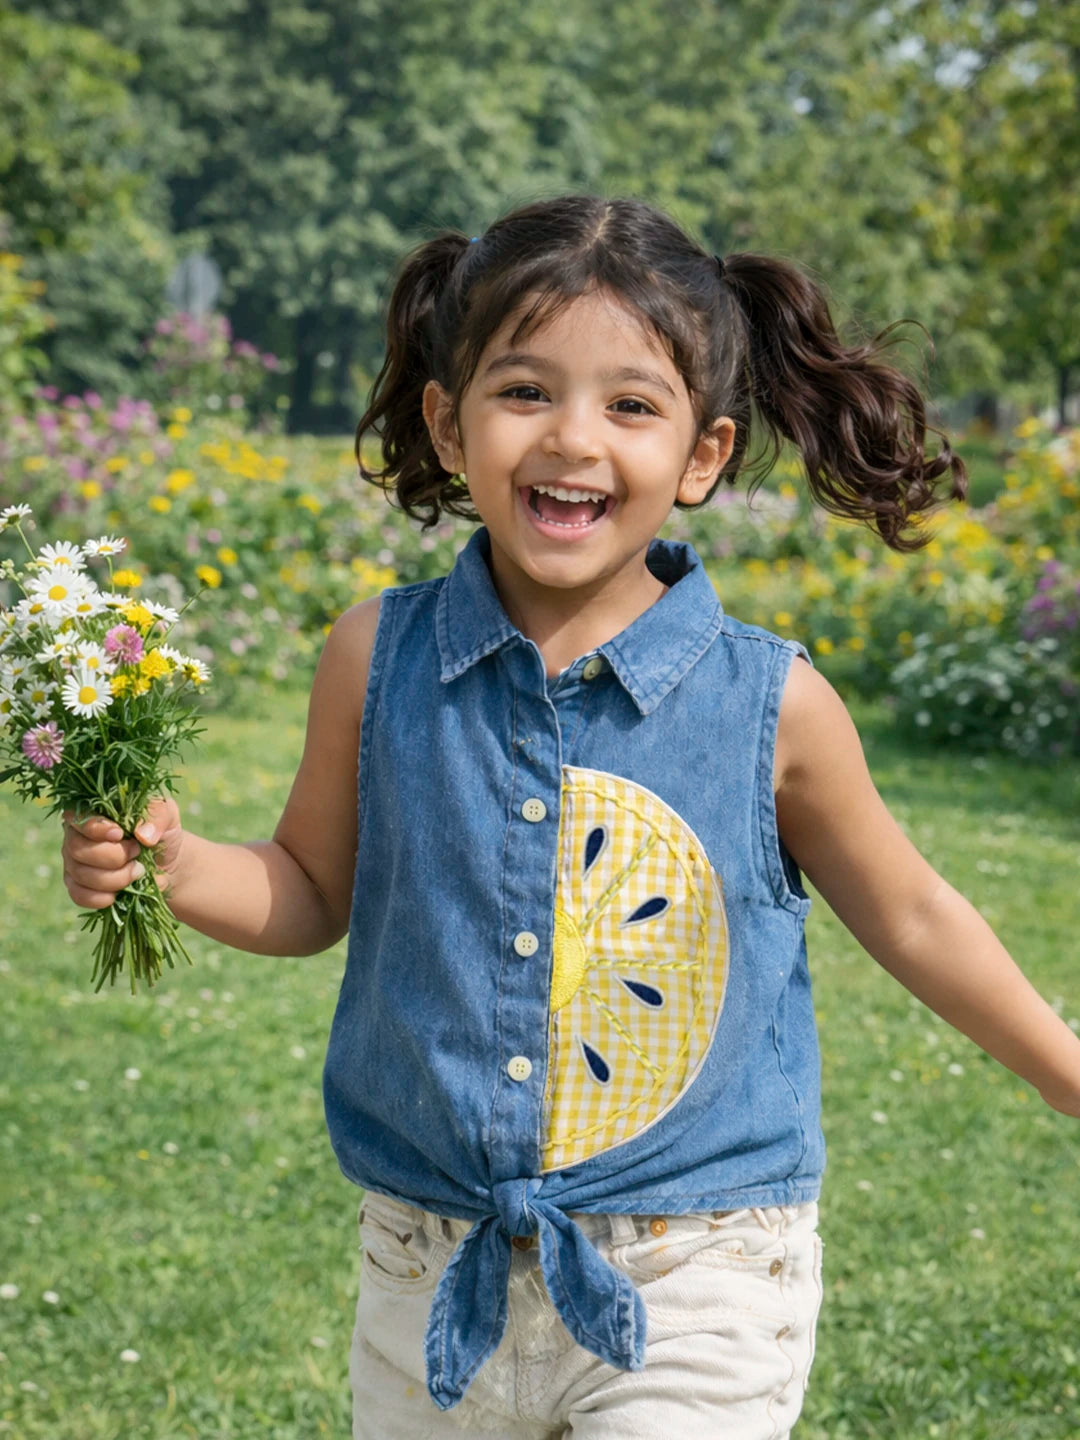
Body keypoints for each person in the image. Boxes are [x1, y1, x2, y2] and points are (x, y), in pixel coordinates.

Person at [61, 194, 1080, 1440]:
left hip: (693, 1270)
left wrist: (1068, 1074)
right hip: (426, 1271)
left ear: (703, 456)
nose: (572, 439)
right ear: (450, 420)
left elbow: (914, 914)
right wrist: (173, 859)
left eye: (632, 405)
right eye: (525, 391)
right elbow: (308, 888)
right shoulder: (375, 659)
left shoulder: (776, 706)